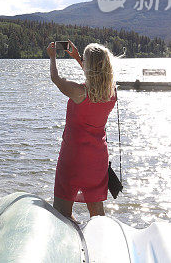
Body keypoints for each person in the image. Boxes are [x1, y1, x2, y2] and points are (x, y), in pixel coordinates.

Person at [46, 40, 117, 221]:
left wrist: (52, 57)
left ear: (89, 66)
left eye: (85, 61)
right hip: (97, 158)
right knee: (97, 213)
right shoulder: (111, 92)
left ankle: (73, 239)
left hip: (73, 157)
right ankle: (97, 243)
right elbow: (96, 76)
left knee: (62, 212)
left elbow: (56, 78)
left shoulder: (79, 92)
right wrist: (78, 57)